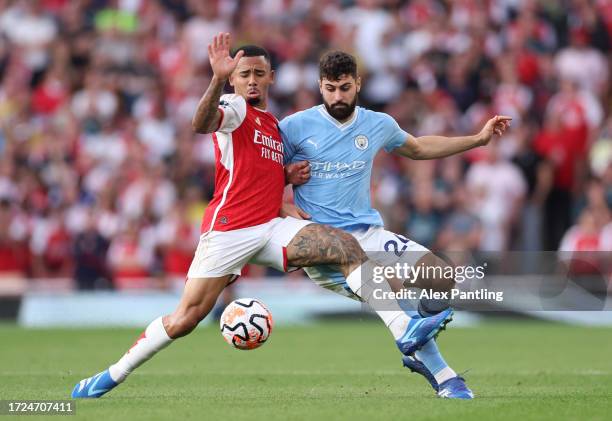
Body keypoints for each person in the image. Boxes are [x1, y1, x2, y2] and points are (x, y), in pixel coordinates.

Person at [70, 34, 451, 399]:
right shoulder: (234, 109)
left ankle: (405, 330)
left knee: (344, 245)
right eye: (243, 74)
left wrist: (284, 177)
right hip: (228, 231)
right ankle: (111, 374)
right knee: (184, 320)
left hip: (269, 227)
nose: (251, 81)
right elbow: (200, 124)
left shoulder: (273, 125)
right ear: (234, 79)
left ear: (271, 77)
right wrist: (217, 80)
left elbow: (261, 174)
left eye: (257, 74)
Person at [282, 50, 512, 399]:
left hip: (370, 232)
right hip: (324, 244)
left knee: (442, 277)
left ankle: (418, 330)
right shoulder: (294, 127)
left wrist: (477, 140)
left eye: (345, 88)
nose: (338, 97)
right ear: (319, 86)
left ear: (358, 83)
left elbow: (419, 148)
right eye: (330, 89)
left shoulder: (378, 124)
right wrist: (283, 204)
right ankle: (447, 380)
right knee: (393, 292)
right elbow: (261, 176)